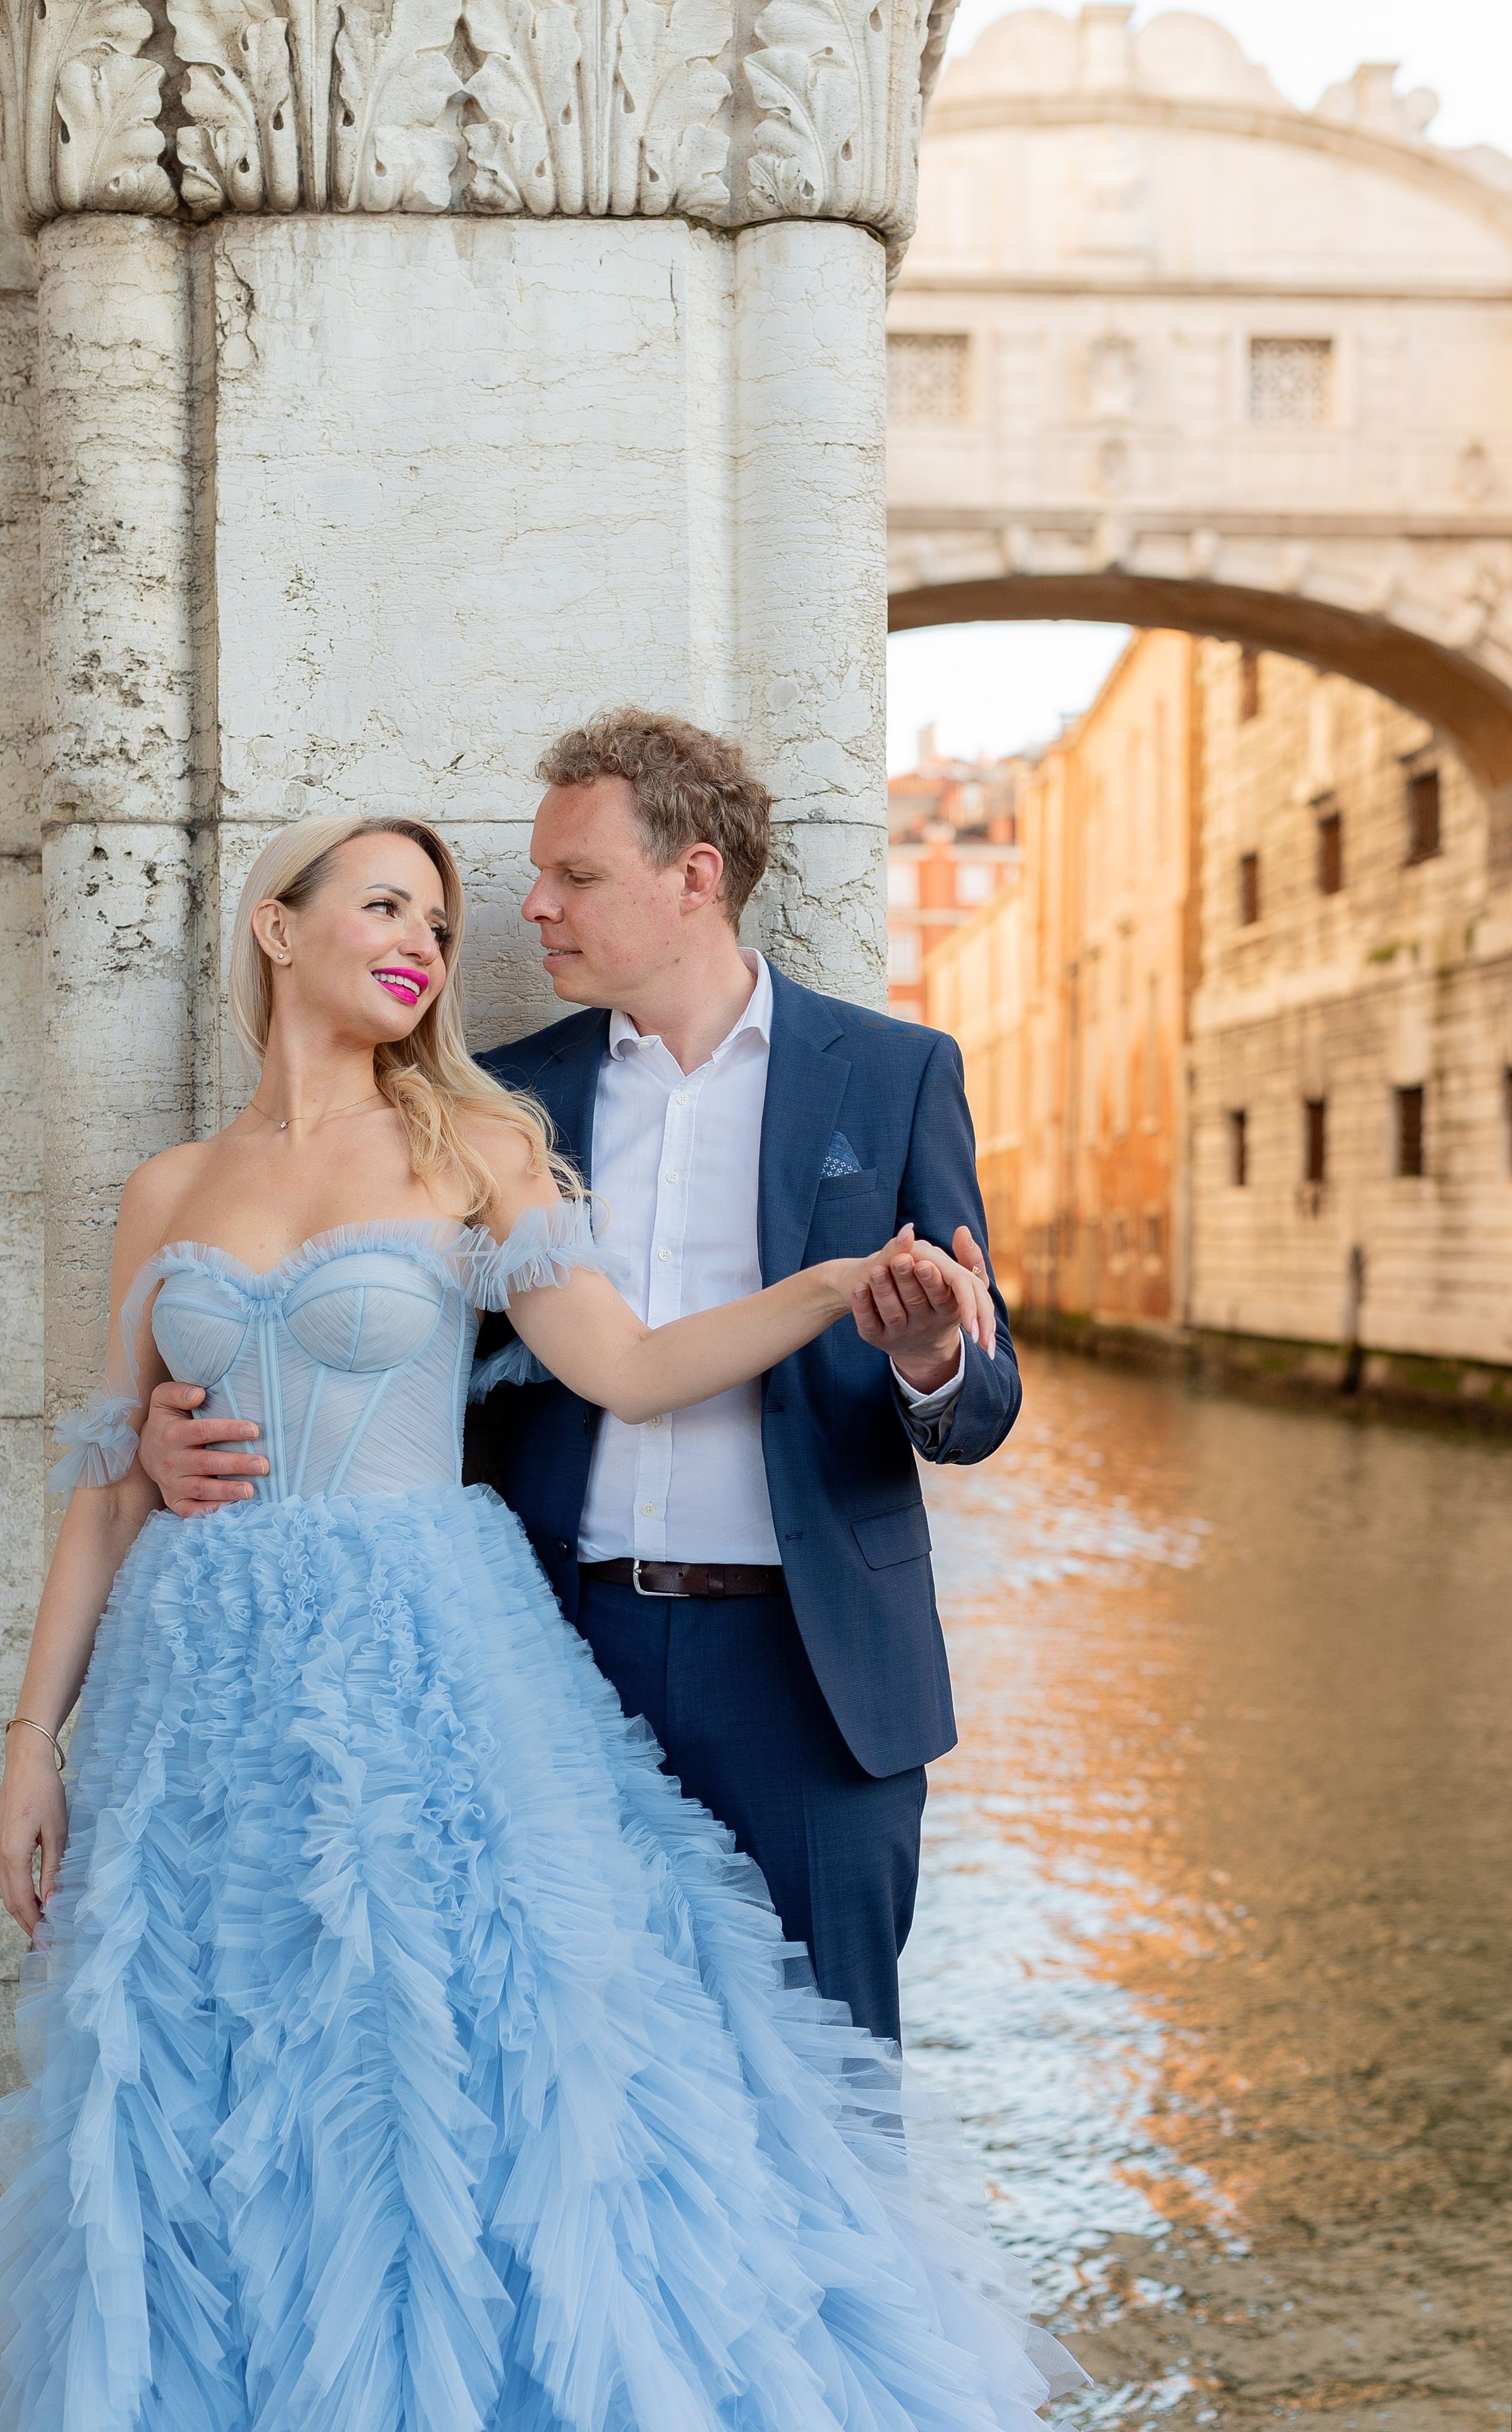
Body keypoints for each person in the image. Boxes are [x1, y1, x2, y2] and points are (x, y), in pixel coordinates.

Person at [0, 810, 1075, 2428]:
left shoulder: (472, 1148)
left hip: (421, 1660)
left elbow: (626, 1367)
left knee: (442, 2065)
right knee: (219, 2072)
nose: (426, 941)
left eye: (439, 915)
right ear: (277, 931)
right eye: (382, 906)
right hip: (199, 1692)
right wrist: (28, 1746)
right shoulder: (170, 1187)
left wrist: (835, 1287)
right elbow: (104, 1482)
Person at [140, 712, 1020, 2051]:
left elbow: (980, 1394)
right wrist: (181, 1422)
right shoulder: (489, 1103)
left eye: (575, 876)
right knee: (574, 2105)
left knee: (827, 2110)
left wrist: (926, 1355)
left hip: (814, 1681)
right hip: (551, 1663)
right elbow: (399, 1352)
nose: (530, 905)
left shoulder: (894, 1075)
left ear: (695, 877)